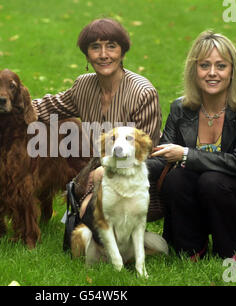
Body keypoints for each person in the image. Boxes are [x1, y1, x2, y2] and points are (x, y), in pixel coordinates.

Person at [150, 30, 236, 259]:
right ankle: (191, 250)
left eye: (221, 66)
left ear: (233, 71)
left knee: (213, 181)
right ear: (194, 71)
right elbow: (162, 157)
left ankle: (231, 250)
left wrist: (185, 154)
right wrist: (118, 171)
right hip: (198, 194)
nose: (212, 73)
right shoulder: (179, 108)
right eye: (204, 66)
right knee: (176, 178)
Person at [32, 18, 163, 225]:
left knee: (91, 226)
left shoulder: (142, 92)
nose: (104, 55)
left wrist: (106, 171)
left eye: (111, 46)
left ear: (122, 52)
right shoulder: (83, 86)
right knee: (83, 229)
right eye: (95, 47)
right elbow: (50, 106)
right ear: (87, 54)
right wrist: (14, 106)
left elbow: (146, 152)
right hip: (95, 172)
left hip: (137, 177)